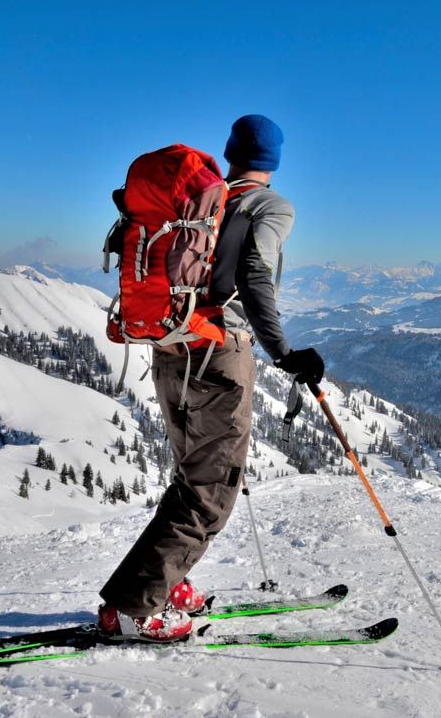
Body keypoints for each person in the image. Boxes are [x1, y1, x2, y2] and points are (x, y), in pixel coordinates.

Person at [97, 114, 325, 642]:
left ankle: (168, 582)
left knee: (191, 478)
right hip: (219, 355)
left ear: (230, 152)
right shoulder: (268, 205)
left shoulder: (200, 202)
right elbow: (255, 275)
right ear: (275, 160)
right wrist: (284, 352)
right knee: (210, 492)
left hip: (170, 347)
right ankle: (131, 608)